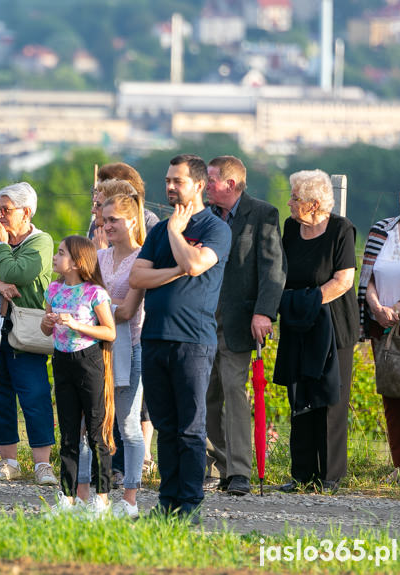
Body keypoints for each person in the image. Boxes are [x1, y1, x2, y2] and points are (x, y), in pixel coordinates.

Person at [129, 154, 231, 523]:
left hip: (193, 341)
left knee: (190, 428)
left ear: (200, 185)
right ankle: (167, 504)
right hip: (154, 337)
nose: (170, 186)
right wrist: (174, 267)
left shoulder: (214, 228)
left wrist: (176, 232)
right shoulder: (155, 232)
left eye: (179, 181)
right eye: (168, 180)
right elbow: (137, 279)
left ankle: (188, 506)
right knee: (167, 427)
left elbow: (195, 265)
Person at [203, 156, 286, 496]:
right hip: (201, 320)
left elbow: (273, 270)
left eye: (210, 180)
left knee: (235, 393)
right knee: (206, 395)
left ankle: (239, 471)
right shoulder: (203, 217)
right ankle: (214, 465)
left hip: (240, 321)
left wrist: (264, 313)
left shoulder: (262, 214)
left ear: (230, 184)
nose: (205, 186)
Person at [0, 182, 57, 485]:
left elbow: (17, 273)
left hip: (24, 332)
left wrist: (3, 249)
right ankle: (9, 461)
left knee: (34, 395)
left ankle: (42, 464)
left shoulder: (40, 242)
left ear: (26, 212)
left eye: (6, 209)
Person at [274, 170, 359, 493]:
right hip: (298, 324)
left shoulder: (341, 229)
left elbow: (343, 280)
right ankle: (301, 473)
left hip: (333, 325)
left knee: (330, 398)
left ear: (313, 203)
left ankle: (330, 476)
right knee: (300, 397)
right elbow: (282, 270)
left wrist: (306, 302)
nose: (289, 202)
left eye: (295, 198)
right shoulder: (291, 228)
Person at [41, 236, 116, 517]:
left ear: (76, 262)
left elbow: (110, 331)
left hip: (89, 363)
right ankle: (67, 498)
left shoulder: (94, 293)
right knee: (68, 433)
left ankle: (102, 499)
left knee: (96, 432)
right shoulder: (54, 290)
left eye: (61, 253)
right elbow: (46, 329)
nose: (56, 257)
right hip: (62, 361)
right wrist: (47, 322)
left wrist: (78, 325)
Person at [97, 192, 147, 518]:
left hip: (131, 347)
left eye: (113, 219)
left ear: (131, 220)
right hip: (100, 347)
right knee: (98, 421)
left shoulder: (143, 259)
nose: (106, 225)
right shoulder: (100, 257)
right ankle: (96, 493)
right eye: (104, 219)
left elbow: (128, 310)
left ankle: (130, 497)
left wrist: (95, 310)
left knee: (128, 425)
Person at [358, 177, 400, 485]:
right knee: (392, 395)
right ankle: (397, 466)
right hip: (382, 326)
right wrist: (376, 306)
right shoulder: (382, 229)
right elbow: (368, 274)